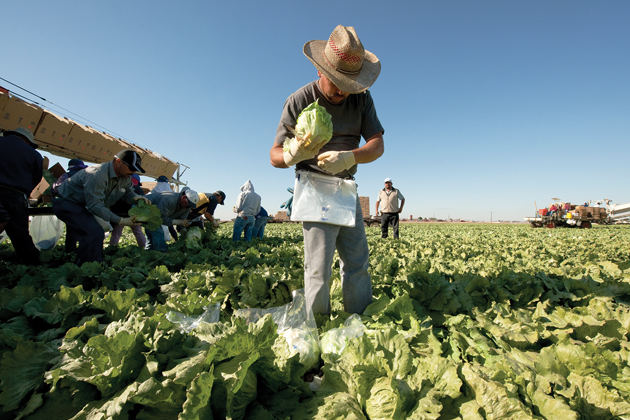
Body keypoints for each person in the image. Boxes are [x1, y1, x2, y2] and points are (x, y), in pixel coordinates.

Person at [269, 25, 384, 315]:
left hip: (345, 189)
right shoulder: (299, 100)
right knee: (318, 269)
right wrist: (293, 153)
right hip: (314, 188)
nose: (344, 92)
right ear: (321, 71)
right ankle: (316, 326)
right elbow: (274, 155)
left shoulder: (361, 98)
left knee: (357, 263)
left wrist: (349, 158)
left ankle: (358, 318)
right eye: (337, 84)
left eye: (350, 86)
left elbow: (377, 145)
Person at [52, 149, 150, 264]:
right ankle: (86, 268)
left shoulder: (125, 177)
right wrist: (121, 220)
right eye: (131, 168)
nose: (133, 172)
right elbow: (95, 205)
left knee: (93, 233)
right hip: (67, 202)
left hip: (84, 205)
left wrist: (135, 197)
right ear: (118, 161)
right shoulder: (97, 174)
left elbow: (128, 193)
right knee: (93, 233)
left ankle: (90, 264)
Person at [0, 127, 43, 265]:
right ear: (28, 141)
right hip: (16, 195)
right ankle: (31, 264)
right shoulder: (34, 154)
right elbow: (36, 180)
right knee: (20, 233)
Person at [51, 158, 89, 253]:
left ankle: (70, 251)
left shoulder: (66, 176)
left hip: (70, 206)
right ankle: (84, 251)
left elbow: (56, 189)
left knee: (71, 230)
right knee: (86, 229)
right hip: (85, 206)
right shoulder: (87, 176)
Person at [144, 187, 199, 252]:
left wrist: (183, 230)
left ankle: (149, 252)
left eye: (190, 206)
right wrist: (178, 222)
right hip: (144, 210)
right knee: (158, 231)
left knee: (152, 237)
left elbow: (182, 220)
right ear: (183, 197)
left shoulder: (187, 207)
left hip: (153, 215)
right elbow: (160, 218)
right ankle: (161, 254)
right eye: (188, 204)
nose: (188, 207)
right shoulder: (169, 200)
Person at [108, 174, 147, 248]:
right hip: (134, 215)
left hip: (119, 214)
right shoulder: (137, 189)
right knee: (138, 232)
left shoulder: (120, 187)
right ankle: (144, 248)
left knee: (116, 233)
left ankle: (112, 249)